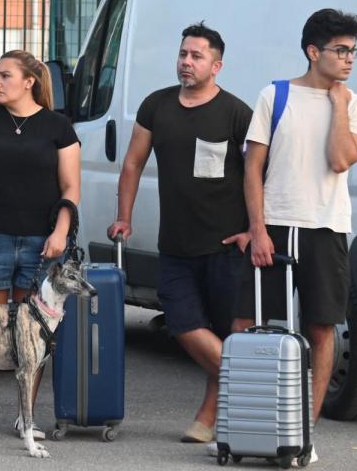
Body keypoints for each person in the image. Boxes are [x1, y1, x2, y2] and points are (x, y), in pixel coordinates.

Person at [233, 8, 357, 465]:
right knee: (247, 323)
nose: (349, 58)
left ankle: (304, 434)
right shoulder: (274, 96)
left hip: (326, 227)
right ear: (314, 52)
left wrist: (338, 105)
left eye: (353, 51)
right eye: (340, 50)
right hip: (275, 226)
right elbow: (253, 168)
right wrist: (257, 229)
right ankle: (243, 423)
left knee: (321, 327)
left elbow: (339, 159)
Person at [107, 22, 252, 444]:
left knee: (229, 333)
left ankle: (207, 419)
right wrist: (124, 216)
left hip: (227, 245)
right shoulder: (157, 105)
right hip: (175, 244)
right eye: (183, 54)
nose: (186, 62)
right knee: (183, 323)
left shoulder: (236, 113)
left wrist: (253, 229)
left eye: (196, 56)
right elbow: (133, 163)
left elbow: (258, 175)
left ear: (216, 66)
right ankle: (253, 385)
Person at [0, 49, 81, 441]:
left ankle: (26, 416)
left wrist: (60, 232)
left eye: (4, 75)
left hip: (41, 242)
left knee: (32, 333)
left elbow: (71, 187)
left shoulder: (58, 127)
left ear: (29, 81)